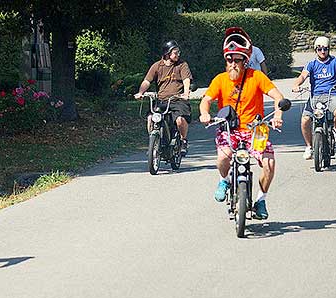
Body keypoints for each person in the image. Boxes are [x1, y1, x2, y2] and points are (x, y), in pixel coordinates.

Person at [199, 27, 285, 219]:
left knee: (269, 163)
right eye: (229, 59)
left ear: (245, 60)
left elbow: (278, 96)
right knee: (223, 157)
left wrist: (278, 115)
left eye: (237, 59)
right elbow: (206, 100)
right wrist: (205, 113)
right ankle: (224, 180)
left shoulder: (257, 77)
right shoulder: (220, 79)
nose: (232, 64)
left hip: (256, 130)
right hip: (228, 129)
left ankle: (261, 200)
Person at [134, 40, 193, 155]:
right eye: (175, 52)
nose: (178, 55)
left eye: (178, 52)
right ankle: (153, 142)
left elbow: (186, 80)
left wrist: (186, 93)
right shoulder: (157, 66)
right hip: (161, 100)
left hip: (178, 100)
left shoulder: (182, 65)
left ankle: (183, 141)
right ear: (167, 53)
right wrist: (140, 92)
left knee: (180, 120)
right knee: (151, 118)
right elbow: (147, 81)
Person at [292, 36, 336, 160]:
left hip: (331, 95)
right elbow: (303, 76)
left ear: (329, 49)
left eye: (325, 49)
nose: (323, 51)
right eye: (320, 49)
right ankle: (309, 147)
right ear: (316, 50)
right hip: (315, 96)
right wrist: (296, 84)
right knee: (305, 119)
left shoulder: (334, 62)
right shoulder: (312, 64)